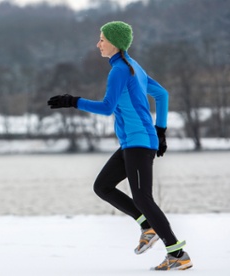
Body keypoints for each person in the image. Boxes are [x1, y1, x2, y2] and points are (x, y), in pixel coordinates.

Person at [47, 21, 192, 271]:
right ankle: (147, 226)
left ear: (114, 42)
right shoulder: (132, 66)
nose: (98, 43)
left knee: (143, 198)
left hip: (138, 142)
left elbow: (107, 107)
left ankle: (177, 253)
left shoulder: (121, 70)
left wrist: (73, 101)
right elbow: (163, 95)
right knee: (102, 186)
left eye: (102, 39)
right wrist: (161, 130)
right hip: (133, 142)